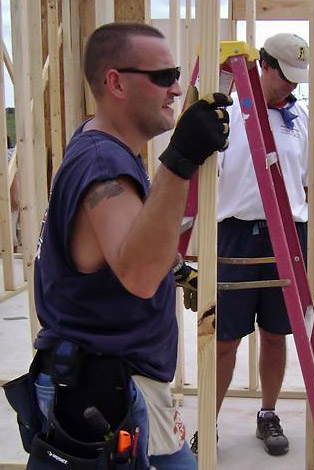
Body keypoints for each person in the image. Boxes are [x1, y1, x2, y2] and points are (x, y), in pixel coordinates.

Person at [27, 22, 230, 469]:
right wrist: (181, 161)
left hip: (103, 379)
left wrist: (176, 270)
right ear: (116, 82)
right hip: (112, 390)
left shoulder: (101, 145)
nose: (176, 89)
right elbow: (138, 276)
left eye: (176, 74)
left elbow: (116, 243)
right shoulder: (104, 164)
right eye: (163, 77)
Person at [210, 32, 314, 457]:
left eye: (299, 78)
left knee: (276, 334)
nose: (293, 86)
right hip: (237, 234)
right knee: (225, 340)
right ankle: (210, 423)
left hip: (289, 235)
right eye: (286, 76)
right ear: (264, 64)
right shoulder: (231, 110)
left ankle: (268, 413)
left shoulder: (299, 118)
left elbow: (313, 186)